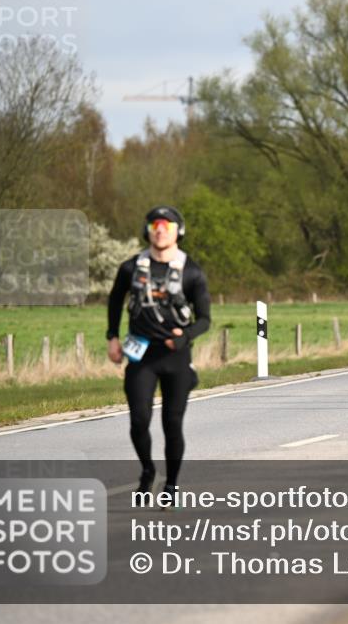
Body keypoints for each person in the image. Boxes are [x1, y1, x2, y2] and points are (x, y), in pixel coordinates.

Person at [107, 206, 211, 498]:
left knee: (172, 423)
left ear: (179, 231)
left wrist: (184, 336)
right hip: (141, 355)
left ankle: (172, 486)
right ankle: (148, 470)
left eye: (167, 225)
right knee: (139, 420)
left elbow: (205, 319)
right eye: (155, 225)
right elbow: (115, 300)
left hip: (176, 357)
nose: (161, 230)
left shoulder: (191, 271)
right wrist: (112, 337)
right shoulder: (131, 268)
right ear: (147, 231)